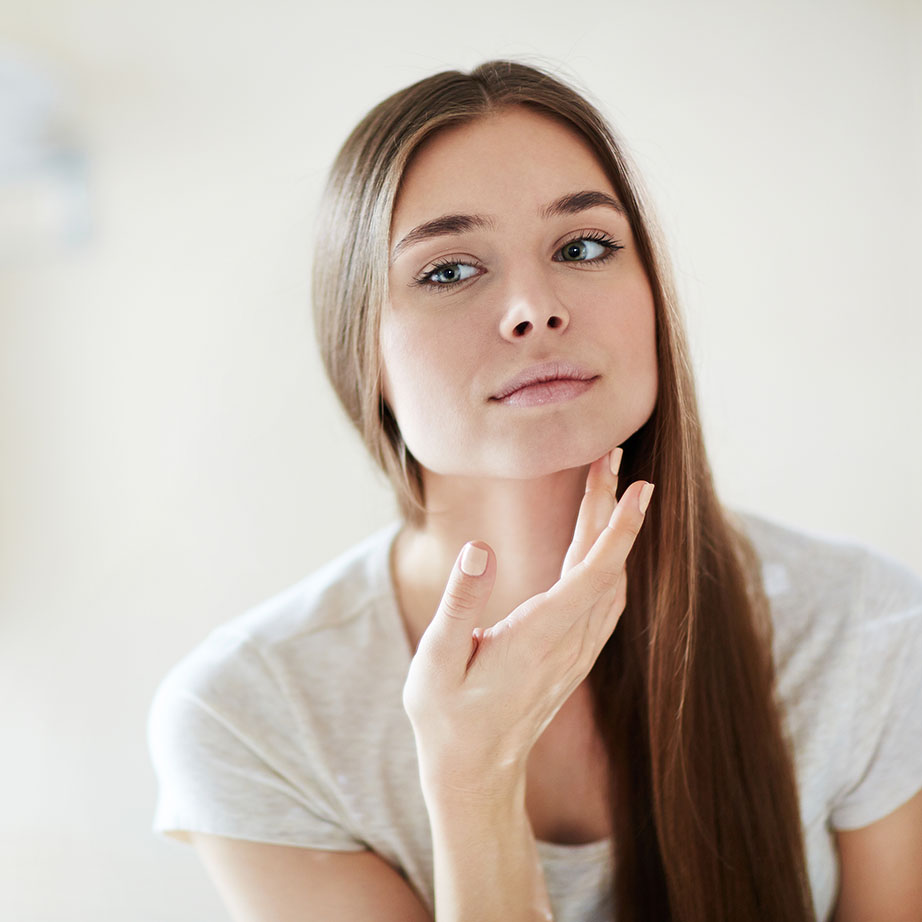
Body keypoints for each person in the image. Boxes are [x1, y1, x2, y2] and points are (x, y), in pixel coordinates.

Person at [147, 61, 922, 922]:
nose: (533, 308)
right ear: (362, 355)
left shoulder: (868, 636)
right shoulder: (253, 714)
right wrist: (472, 777)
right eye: (448, 271)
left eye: (583, 247)